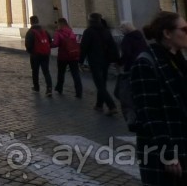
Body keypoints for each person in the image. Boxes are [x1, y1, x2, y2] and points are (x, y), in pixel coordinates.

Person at [130, 11, 187, 185]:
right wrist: (168, 155)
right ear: (167, 33)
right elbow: (149, 114)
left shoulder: (178, 59)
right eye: (184, 29)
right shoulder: (145, 63)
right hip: (162, 153)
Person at [80, 12, 120, 115]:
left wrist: (80, 61)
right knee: (102, 83)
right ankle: (99, 104)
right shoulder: (106, 31)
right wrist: (116, 60)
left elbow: (84, 47)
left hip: (95, 61)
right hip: (105, 60)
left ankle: (111, 106)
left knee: (100, 84)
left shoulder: (88, 32)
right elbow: (113, 46)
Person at [51, 17, 82, 97]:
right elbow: (74, 41)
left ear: (59, 24)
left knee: (61, 73)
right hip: (73, 55)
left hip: (63, 56)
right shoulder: (71, 31)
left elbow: (56, 44)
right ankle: (79, 91)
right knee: (75, 74)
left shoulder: (58, 32)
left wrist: (49, 45)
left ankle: (59, 88)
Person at [24, 15, 53, 96]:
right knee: (46, 71)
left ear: (31, 22)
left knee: (35, 71)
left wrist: (30, 51)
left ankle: (36, 87)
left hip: (35, 55)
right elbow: (50, 41)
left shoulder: (30, 32)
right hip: (45, 54)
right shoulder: (44, 31)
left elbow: (28, 45)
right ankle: (49, 88)